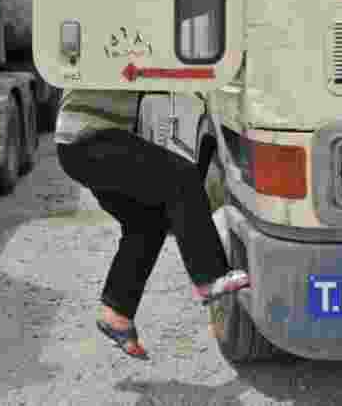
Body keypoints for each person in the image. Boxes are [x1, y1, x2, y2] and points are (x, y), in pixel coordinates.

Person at [54, 88, 250, 360]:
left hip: (79, 145)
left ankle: (116, 314)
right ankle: (209, 276)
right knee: (181, 178)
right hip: (91, 137)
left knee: (146, 222)